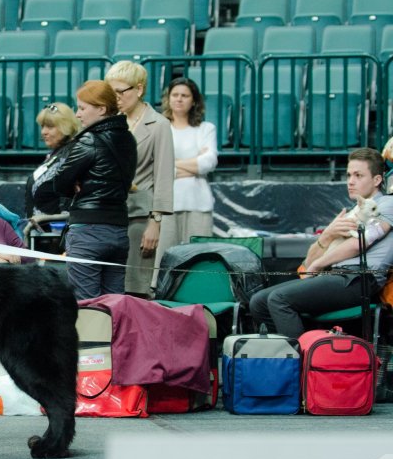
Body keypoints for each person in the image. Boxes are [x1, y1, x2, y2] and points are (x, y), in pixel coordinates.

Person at [250, 148, 393, 338]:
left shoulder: (386, 204)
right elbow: (308, 264)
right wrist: (327, 235)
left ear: (377, 180)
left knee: (279, 299)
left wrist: (319, 263)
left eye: (358, 175)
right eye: (349, 175)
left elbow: (360, 243)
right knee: (258, 301)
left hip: (360, 279)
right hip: (336, 276)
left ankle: (299, 362)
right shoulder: (352, 211)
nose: (350, 181)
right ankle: (291, 352)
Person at [53, 80, 137, 300]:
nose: (77, 114)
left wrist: (76, 184)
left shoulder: (88, 141)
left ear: (101, 109)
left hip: (88, 231)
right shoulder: (128, 138)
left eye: (82, 108)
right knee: (115, 304)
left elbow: (59, 183)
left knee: (88, 305)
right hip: (119, 230)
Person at [105, 61, 174, 298]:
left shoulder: (159, 125)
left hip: (139, 217)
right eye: (110, 92)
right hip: (108, 213)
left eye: (121, 92)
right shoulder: (110, 122)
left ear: (139, 89)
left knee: (135, 286)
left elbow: (164, 176)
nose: (116, 98)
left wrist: (155, 222)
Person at [159, 77, 218, 245]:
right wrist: (194, 164)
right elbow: (157, 166)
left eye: (185, 95)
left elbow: (209, 162)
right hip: (166, 205)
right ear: (168, 99)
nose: (179, 99)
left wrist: (173, 162)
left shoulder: (206, 128)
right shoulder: (160, 128)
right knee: (166, 261)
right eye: (175, 94)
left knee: (198, 259)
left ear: (194, 101)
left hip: (198, 203)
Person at [24, 102, 81, 223]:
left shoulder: (72, 153)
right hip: (43, 229)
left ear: (65, 126)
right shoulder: (57, 152)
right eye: (42, 126)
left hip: (57, 231)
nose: (43, 132)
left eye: (50, 127)